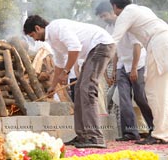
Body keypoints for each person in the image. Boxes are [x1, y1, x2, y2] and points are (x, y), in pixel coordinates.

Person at [23, 15, 115, 148]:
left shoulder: (57, 27)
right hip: (94, 50)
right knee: (78, 90)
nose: (35, 40)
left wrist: (66, 72)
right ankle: (83, 135)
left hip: (101, 45)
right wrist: (53, 86)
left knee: (87, 89)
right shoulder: (53, 41)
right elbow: (59, 64)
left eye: (33, 35)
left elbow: (75, 47)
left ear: (38, 28)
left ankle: (95, 136)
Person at [110, 0, 168, 144]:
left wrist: (97, 64)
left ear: (115, 6)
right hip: (163, 39)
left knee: (154, 91)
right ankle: (162, 132)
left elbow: (113, 41)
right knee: (161, 91)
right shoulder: (142, 9)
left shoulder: (126, 14)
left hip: (159, 43)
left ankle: (159, 134)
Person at [95, 1, 153, 141]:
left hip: (137, 64)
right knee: (123, 100)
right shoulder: (109, 28)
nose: (104, 19)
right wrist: (114, 70)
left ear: (113, 10)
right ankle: (130, 133)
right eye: (101, 17)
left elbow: (137, 47)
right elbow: (114, 50)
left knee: (140, 98)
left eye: (105, 15)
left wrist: (133, 68)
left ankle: (154, 128)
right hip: (121, 65)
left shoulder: (127, 22)